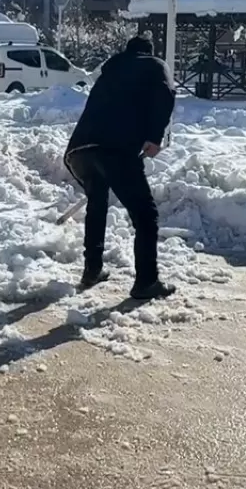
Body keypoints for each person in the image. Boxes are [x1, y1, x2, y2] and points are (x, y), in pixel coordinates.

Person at [63, 34, 177, 300]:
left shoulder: (110, 71)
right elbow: (165, 94)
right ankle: (146, 282)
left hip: (81, 149)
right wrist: (154, 136)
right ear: (148, 51)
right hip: (116, 147)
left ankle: (92, 270)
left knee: (97, 202)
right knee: (145, 215)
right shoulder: (154, 65)